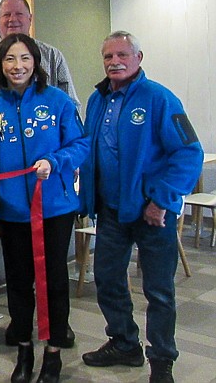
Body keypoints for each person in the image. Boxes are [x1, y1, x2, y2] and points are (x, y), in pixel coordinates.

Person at [80, 31, 203, 383]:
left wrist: (161, 200)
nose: (114, 61)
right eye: (107, 56)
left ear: (138, 57)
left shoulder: (160, 99)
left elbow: (188, 153)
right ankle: (124, 343)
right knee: (107, 281)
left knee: (159, 291)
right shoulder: (97, 99)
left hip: (152, 214)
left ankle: (162, 361)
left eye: (122, 54)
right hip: (111, 213)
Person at [0, 34, 89, 383]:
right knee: (18, 282)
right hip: (11, 211)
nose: (18, 66)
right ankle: (24, 351)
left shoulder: (57, 101)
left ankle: (53, 353)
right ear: (0, 65)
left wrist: (54, 162)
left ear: (36, 62)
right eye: (10, 59)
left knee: (54, 281)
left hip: (54, 207)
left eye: (25, 58)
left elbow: (81, 144)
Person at [0, 0, 80, 109]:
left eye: (19, 14)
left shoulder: (53, 56)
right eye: (6, 15)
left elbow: (71, 105)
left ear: (30, 18)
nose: (12, 19)